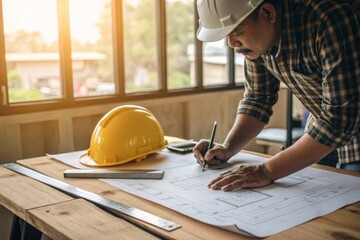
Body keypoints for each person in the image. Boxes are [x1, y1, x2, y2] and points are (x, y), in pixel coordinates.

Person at [193, 0, 360, 192]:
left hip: (345, 127)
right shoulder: (256, 41)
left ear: (268, 13)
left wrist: (267, 171)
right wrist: (227, 148)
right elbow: (258, 99)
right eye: (226, 36)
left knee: (349, 215)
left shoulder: (327, 19)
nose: (232, 44)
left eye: (237, 32)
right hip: (323, 130)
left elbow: (339, 120)